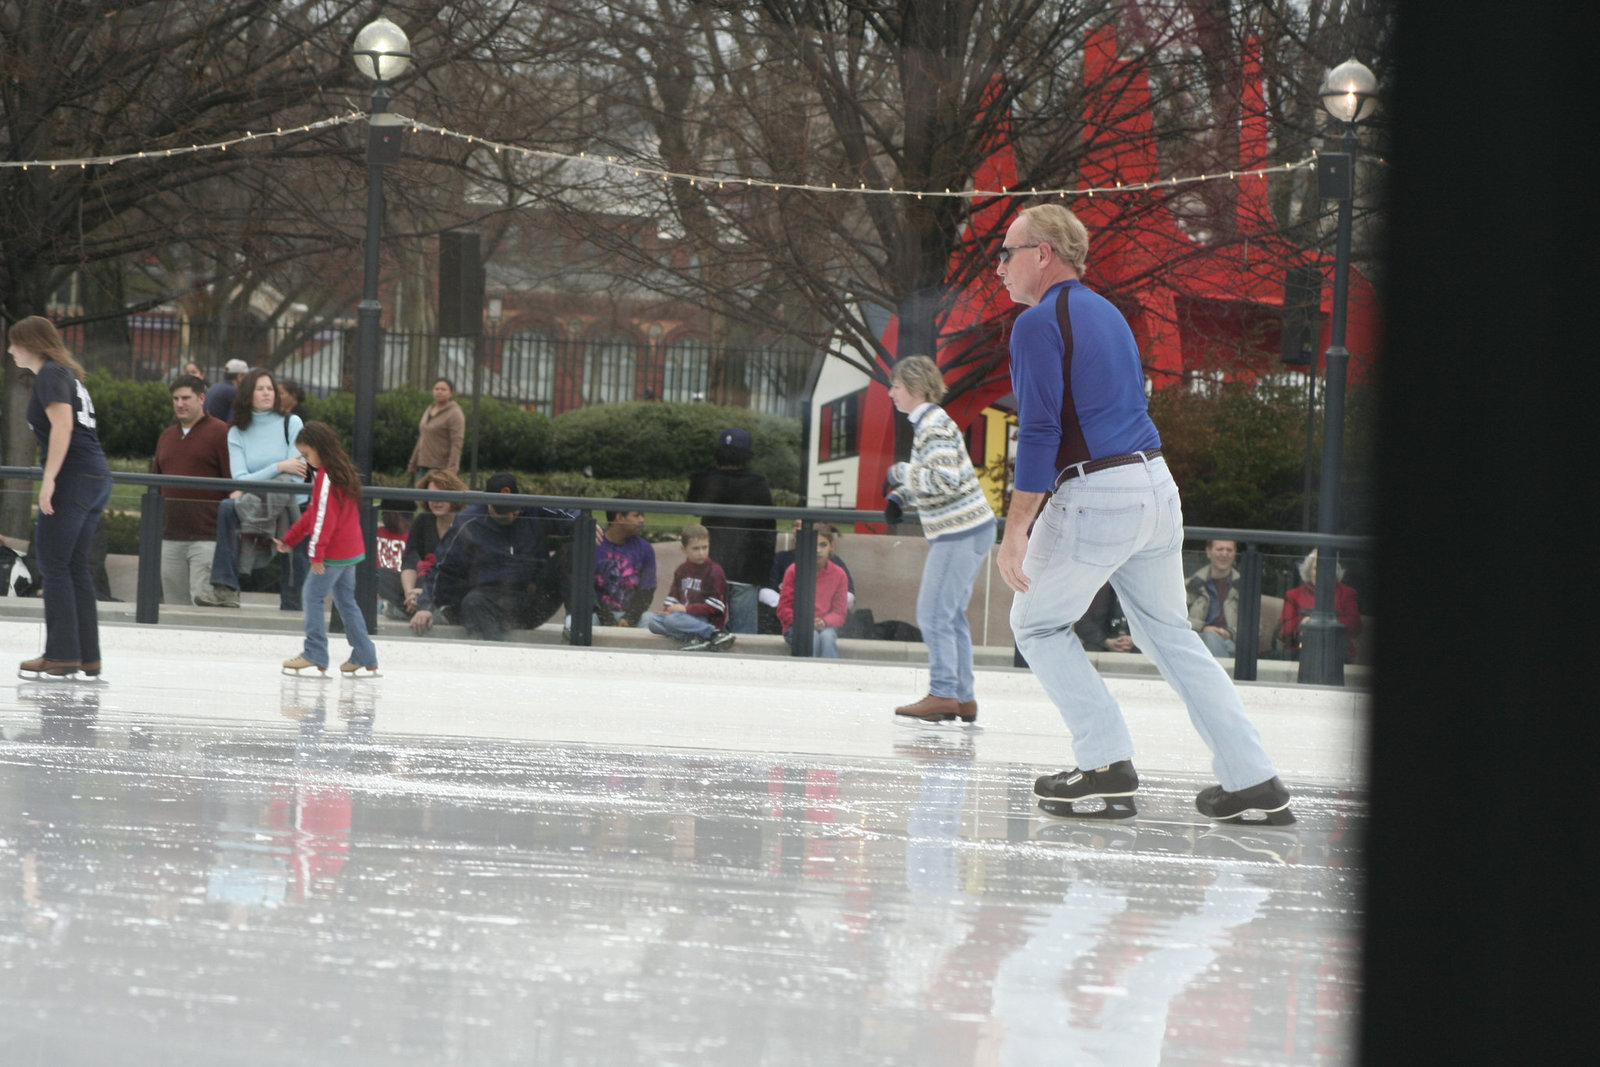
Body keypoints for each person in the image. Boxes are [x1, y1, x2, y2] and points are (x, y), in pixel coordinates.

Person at [993, 203, 1291, 825]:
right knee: (1171, 635)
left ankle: (1105, 765)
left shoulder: (1037, 323)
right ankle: (1251, 778)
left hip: (1097, 493)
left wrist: (1016, 526)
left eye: (1006, 253)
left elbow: (1042, 428)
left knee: (1037, 625)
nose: (999, 268)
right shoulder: (1108, 315)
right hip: (1154, 486)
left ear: (1042, 253)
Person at [882, 355, 997, 725]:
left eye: (896, 386)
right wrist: (903, 495)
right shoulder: (934, 423)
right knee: (950, 616)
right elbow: (942, 477)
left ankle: (944, 693)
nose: (891, 393)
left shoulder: (932, 425)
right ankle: (963, 698)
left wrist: (901, 472)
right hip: (971, 527)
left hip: (958, 532)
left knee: (932, 614)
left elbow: (944, 480)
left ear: (915, 388)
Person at [8, 316, 112, 680]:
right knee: (73, 566)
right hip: (95, 475)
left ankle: (61, 654)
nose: (9, 350)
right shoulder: (67, 375)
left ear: (32, 344)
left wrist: (49, 479)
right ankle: (87, 655)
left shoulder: (51, 374)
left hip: (75, 477)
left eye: (14, 343)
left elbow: (63, 426)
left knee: (52, 564)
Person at [274, 422, 379, 679]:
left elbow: (324, 518)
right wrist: (291, 538)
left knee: (312, 596)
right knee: (346, 602)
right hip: (349, 550)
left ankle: (315, 652)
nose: (308, 461)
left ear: (319, 449)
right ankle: (365, 654)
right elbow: (315, 514)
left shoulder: (327, 476)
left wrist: (316, 554)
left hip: (334, 553)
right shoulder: (341, 472)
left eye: (308, 455)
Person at [198, 368, 307, 610]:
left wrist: (258, 480)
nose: (267, 393)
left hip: (291, 501)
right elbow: (240, 479)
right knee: (228, 507)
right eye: (260, 389)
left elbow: (298, 476)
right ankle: (225, 589)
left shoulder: (292, 422)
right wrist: (279, 465)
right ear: (248, 394)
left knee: (297, 544)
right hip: (256, 500)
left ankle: (295, 605)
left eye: (270, 388)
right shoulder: (236, 431)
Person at [410, 472, 562, 641]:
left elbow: (570, 513)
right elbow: (442, 567)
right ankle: (491, 651)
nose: (510, 515)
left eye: (514, 509)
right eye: (502, 511)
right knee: (473, 602)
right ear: (488, 505)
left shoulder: (532, 509)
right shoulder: (469, 521)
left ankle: (579, 621)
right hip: (490, 598)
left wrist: (585, 524)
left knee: (570, 552)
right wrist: (426, 606)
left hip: (532, 598)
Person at [150, 374, 232, 606]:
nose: (180, 403)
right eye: (175, 398)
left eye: (186, 398)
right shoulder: (166, 436)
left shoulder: (221, 432)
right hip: (169, 537)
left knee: (203, 605)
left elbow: (233, 484)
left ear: (202, 398)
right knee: (174, 607)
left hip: (207, 538)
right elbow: (156, 485)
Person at [686, 427, 775, 634]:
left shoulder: (704, 479)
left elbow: (692, 506)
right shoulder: (757, 483)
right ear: (747, 456)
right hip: (746, 568)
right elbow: (768, 529)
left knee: (702, 629)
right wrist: (763, 572)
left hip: (709, 564)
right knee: (743, 635)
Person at [645, 523, 735, 652]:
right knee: (653, 622)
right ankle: (695, 638)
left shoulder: (714, 571)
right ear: (684, 549)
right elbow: (673, 596)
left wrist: (686, 609)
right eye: (696, 548)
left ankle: (715, 634)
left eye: (705, 547)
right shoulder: (681, 570)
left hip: (704, 620)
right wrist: (667, 610)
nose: (701, 553)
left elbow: (717, 606)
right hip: (683, 618)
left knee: (672, 620)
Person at [760, 519, 855, 632]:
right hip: (789, 620)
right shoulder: (782, 559)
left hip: (825, 622)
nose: (798, 529)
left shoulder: (835, 564)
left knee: (826, 638)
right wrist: (788, 608)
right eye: (796, 525)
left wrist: (825, 618)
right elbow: (764, 588)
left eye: (804, 525)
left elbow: (849, 594)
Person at [401, 469, 468, 619]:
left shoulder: (465, 524)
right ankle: (411, 604)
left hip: (449, 587)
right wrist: (410, 592)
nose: (436, 501)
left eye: (442, 495)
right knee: (384, 577)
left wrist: (425, 592)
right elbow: (409, 561)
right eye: (432, 496)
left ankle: (410, 610)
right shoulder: (423, 521)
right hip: (420, 583)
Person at [776, 523, 850, 659]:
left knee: (827, 638)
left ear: (832, 546)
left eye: (823, 545)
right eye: (813, 545)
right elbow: (783, 609)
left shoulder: (839, 574)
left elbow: (839, 613)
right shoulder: (794, 570)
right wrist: (805, 622)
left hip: (826, 626)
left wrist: (825, 621)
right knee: (812, 637)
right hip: (796, 626)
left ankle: (830, 675)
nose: (817, 550)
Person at [1277, 549, 1363, 663]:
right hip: (1300, 655)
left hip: (1337, 655)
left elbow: (1355, 626)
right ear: (1308, 571)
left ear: (1334, 571)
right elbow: (1283, 631)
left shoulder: (1347, 593)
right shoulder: (1293, 595)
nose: (1321, 572)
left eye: (1327, 567)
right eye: (1316, 568)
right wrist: (1303, 622)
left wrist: (1324, 622)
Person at [593, 510, 656, 628]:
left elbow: (647, 591)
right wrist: (606, 618)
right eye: (637, 515)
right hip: (598, 613)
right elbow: (585, 590)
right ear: (620, 517)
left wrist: (629, 618)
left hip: (631, 615)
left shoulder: (645, 548)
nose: (642, 520)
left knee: (651, 620)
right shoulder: (594, 544)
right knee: (586, 620)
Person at [1185, 539, 1242, 658]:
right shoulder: (1190, 586)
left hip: (1233, 645)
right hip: (1196, 641)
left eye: (1229, 550)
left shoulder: (1244, 587)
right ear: (1208, 552)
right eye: (1220, 549)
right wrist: (1203, 628)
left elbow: (1256, 627)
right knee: (1211, 638)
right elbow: (1177, 618)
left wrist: (1230, 633)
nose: (1224, 554)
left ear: (1235, 554)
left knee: (1221, 644)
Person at [407, 376, 465, 482]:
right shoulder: (429, 409)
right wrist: (413, 462)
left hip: (440, 468)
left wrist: (452, 469)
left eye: (443, 389)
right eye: (436, 389)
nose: (439, 392)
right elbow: (423, 437)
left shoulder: (454, 413)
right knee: (420, 498)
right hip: (423, 465)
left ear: (451, 393)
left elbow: (457, 442)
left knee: (435, 498)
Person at [374, 500, 414, 621]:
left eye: (384, 514)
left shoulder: (414, 537)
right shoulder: (376, 533)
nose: (383, 517)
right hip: (376, 589)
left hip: (401, 589)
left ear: (394, 514)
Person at [1077, 583, 1139, 653]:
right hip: (1100, 642)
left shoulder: (1142, 590)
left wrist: (1135, 639)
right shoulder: (1096, 589)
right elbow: (1082, 621)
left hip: (1136, 643)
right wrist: (1106, 642)